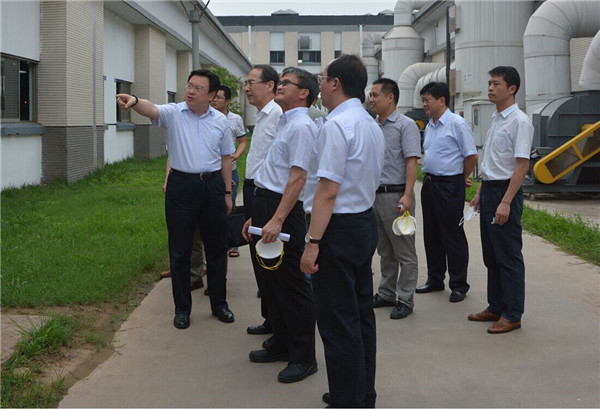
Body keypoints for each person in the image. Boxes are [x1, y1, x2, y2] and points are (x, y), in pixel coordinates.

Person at [116, 69, 235, 330]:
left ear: (212, 95)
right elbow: (151, 109)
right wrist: (134, 101)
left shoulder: (220, 121)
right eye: (189, 86)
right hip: (181, 187)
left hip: (212, 186)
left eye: (198, 88)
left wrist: (227, 193)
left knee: (217, 249)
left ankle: (219, 304)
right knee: (180, 251)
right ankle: (182, 309)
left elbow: (226, 157)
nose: (190, 91)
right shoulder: (174, 113)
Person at [301, 54, 384, 408]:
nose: (319, 85)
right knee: (361, 316)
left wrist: (312, 242)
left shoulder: (337, 125)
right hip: (363, 223)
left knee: (338, 321)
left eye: (322, 78)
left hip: (337, 229)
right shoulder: (369, 123)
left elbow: (327, 190)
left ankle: (347, 399)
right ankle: (360, 393)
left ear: (335, 83)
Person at [242, 67, 319, 383]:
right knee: (272, 281)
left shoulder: (301, 126)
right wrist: (258, 216)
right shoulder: (285, 121)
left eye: (287, 83)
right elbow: (274, 171)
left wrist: (276, 218)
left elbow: (298, 178)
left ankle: (303, 356)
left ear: (304, 93)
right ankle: (282, 341)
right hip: (267, 203)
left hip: (283, 210)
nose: (280, 86)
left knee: (291, 284)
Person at [468, 66, 533, 334]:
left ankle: (512, 314)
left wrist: (505, 202)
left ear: (512, 89)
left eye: (496, 84)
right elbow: (492, 161)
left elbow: (522, 165)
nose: (490, 88)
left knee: (508, 256)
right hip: (490, 190)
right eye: (489, 83)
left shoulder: (519, 121)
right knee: (491, 255)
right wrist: (480, 193)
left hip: (506, 192)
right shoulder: (496, 118)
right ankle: (496, 306)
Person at [416, 82, 478, 303]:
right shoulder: (430, 125)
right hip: (430, 184)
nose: (424, 104)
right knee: (431, 234)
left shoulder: (456, 124)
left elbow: (471, 156)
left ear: (442, 100)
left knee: (452, 235)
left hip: (449, 186)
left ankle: (459, 284)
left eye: (427, 100)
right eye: (423, 100)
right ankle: (435, 279)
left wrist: (460, 178)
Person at [368, 78, 421, 319]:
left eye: (375, 95)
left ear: (390, 97)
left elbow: (411, 161)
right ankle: (386, 293)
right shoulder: (373, 126)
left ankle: (405, 299)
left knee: (404, 252)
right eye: (371, 95)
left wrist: (407, 195)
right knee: (385, 250)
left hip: (397, 196)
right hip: (375, 196)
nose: (371, 99)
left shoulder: (405, 125)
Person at [243, 64, 282, 336]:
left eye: (251, 82)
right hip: (254, 191)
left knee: (270, 258)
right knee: (259, 256)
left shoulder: (277, 115)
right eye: (245, 83)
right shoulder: (262, 115)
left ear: (270, 85)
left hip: (269, 194)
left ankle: (278, 322)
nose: (247, 88)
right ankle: (270, 318)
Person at [210, 85, 248, 258]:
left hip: (229, 170)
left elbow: (242, 141)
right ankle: (215, 243)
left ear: (227, 101)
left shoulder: (235, 119)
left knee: (229, 206)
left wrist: (236, 155)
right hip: (210, 170)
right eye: (213, 96)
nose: (214, 100)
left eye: (219, 97)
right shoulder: (206, 116)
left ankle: (232, 244)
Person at [160, 159, 206, 292]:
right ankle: (194, 275)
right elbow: (171, 157)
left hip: (211, 182)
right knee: (190, 235)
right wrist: (167, 180)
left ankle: (216, 282)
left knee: (213, 237)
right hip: (183, 183)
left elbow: (225, 157)